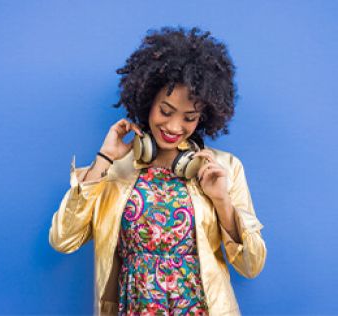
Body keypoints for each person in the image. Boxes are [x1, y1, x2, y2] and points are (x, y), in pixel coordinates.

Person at [49, 26, 267, 316]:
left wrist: (222, 202)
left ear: (203, 117)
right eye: (165, 111)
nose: (175, 127)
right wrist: (104, 159)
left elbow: (251, 266)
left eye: (189, 118)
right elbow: (63, 240)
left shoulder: (224, 168)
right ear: (147, 100)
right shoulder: (113, 170)